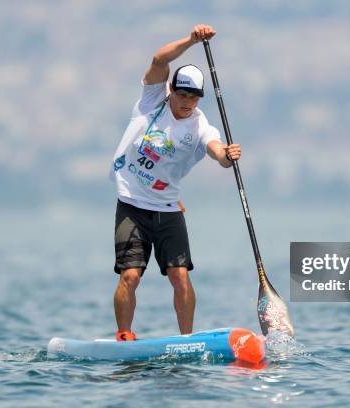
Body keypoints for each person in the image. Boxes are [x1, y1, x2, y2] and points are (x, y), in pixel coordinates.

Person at [110, 24, 241, 341]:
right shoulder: (151, 101)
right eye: (182, 94)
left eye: (194, 97)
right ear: (172, 89)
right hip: (131, 204)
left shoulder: (200, 126)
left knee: (180, 276)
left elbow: (216, 153)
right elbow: (158, 59)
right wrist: (192, 40)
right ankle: (125, 335)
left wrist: (226, 155)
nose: (187, 102)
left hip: (168, 208)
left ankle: (187, 341)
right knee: (130, 276)